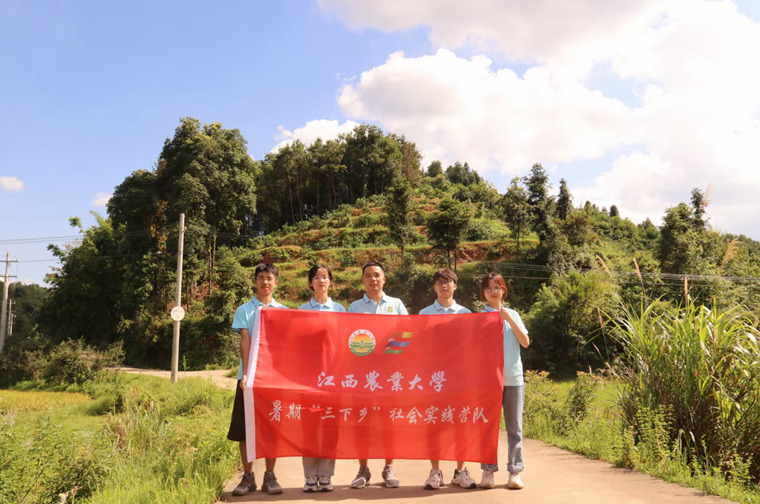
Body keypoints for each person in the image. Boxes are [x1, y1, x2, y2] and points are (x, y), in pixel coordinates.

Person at [228, 262, 288, 496]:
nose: (265, 282)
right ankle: (248, 476)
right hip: (249, 378)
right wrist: (246, 374)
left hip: (273, 380)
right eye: (261, 277)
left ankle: (270, 475)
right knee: (245, 429)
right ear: (255, 282)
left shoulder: (283, 311)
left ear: (276, 283)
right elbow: (245, 341)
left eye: (269, 278)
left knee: (272, 428)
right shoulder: (244, 310)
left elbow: (285, 346)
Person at [348, 261, 408, 489]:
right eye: (368, 275)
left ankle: (388, 467)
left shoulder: (396, 304)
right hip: (362, 375)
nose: (373, 279)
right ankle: (363, 469)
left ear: (384, 279)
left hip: (390, 375)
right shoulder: (354, 307)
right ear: (363, 280)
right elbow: (349, 338)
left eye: (377, 275)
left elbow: (407, 333)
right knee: (362, 421)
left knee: (388, 422)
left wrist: (388, 354)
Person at [418, 268, 477, 490]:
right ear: (434, 287)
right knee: (434, 425)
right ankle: (435, 472)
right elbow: (418, 345)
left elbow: (473, 345)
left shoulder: (465, 313)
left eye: (448, 281)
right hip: (433, 379)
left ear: (455, 285)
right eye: (440, 282)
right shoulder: (424, 314)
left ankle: (461, 471)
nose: (444, 285)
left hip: (460, 379)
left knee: (461, 424)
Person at [478, 273, 530, 490]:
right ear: (483, 293)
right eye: (489, 288)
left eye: (497, 287)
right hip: (488, 381)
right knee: (487, 428)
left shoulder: (513, 314)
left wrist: (508, 319)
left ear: (503, 290)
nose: (493, 291)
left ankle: (515, 472)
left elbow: (525, 342)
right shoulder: (478, 318)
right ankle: (488, 471)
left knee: (515, 428)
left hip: (513, 379)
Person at [298, 264, 346, 492]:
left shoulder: (340, 309)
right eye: (316, 277)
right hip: (308, 378)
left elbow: (346, 342)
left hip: (333, 378)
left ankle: (326, 475)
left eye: (325, 277)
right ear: (310, 283)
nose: (321, 281)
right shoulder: (301, 310)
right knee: (309, 427)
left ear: (331, 282)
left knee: (330, 426)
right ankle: (310, 475)